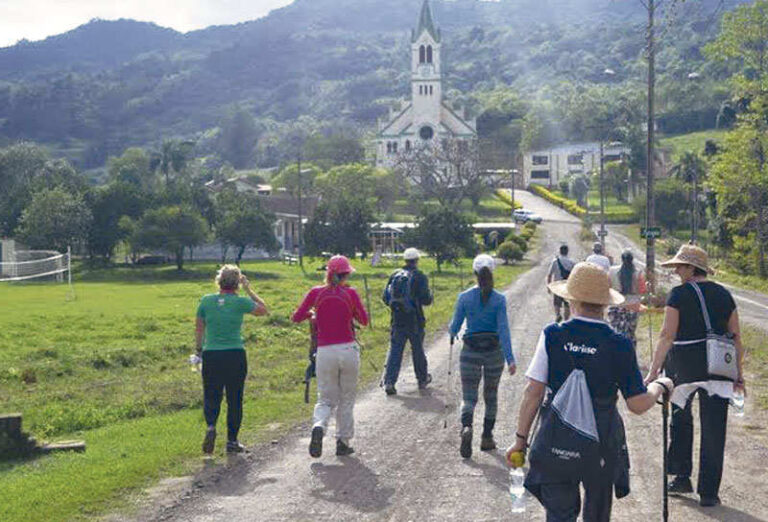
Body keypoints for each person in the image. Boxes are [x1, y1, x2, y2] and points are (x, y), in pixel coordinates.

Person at [506, 262, 674, 522]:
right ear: (606, 304)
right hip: (602, 445)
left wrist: (520, 440)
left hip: (556, 442)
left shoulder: (552, 335)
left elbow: (533, 392)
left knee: (559, 515)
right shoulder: (619, 343)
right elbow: (638, 404)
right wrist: (659, 386)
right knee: (597, 514)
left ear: (571, 300)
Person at [645, 244, 745, 507]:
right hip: (719, 367)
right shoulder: (725, 294)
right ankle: (709, 493)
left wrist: (653, 370)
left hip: (684, 367)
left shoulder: (678, 294)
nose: (677, 270)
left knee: (680, 420)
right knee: (715, 430)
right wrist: (739, 374)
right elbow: (735, 336)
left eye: (680, 266)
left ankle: (681, 476)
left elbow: (667, 334)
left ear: (691, 268)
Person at [292, 255, 369, 458]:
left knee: (325, 398)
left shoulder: (316, 293)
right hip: (348, 350)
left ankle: (319, 425)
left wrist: (312, 314)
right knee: (347, 398)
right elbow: (364, 320)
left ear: (328, 273)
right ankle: (342, 442)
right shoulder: (350, 293)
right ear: (345, 275)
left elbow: (296, 317)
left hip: (325, 351)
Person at [196, 265, 269, 454]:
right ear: (236, 283)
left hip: (211, 353)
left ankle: (211, 426)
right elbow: (264, 310)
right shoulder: (241, 302)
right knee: (235, 398)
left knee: (212, 394)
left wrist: (199, 350)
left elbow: (199, 329)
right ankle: (232, 441)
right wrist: (249, 289)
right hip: (235, 354)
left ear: (219, 282)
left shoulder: (206, 301)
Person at [449, 254, 516, 458]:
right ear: (492, 272)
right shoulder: (499, 299)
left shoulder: (464, 297)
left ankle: (467, 427)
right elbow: (503, 330)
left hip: (470, 351)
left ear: (474, 273)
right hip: (493, 352)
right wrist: (510, 359)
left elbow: (454, 328)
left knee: (469, 397)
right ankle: (487, 438)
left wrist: (452, 333)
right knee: (491, 395)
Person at [382, 247, 433, 395]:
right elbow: (426, 300)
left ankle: (390, 382)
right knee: (417, 350)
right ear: (417, 260)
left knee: (396, 350)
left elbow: (386, 298)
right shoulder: (420, 276)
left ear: (405, 260)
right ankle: (422, 380)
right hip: (415, 319)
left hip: (397, 319)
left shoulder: (394, 275)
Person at [607, 250, 646, 347]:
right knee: (630, 332)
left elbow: (608, 287)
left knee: (615, 331)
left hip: (616, 304)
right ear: (632, 260)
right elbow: (642, 290)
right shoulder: (638, 272)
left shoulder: (612, 271)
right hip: (633, 306)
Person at [547, 244, 575, 323]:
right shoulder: (571, 262)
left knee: (556, 303)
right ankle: (566, 320)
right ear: (567, 252)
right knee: (567, 304)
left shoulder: (555, 261)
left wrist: (548, 286)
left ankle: (558, 315)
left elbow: (549, 274)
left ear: (560, 251)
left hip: (557, 285)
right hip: (567, 286)